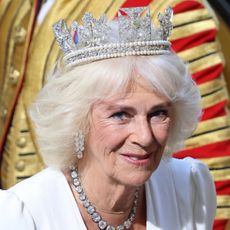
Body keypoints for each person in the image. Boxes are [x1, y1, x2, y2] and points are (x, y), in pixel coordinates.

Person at [0, 6, 216, 230]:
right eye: (121, 115)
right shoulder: (23, 217)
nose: (144, 137)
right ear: (78, 121)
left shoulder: (189, 189)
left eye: (158, 113)